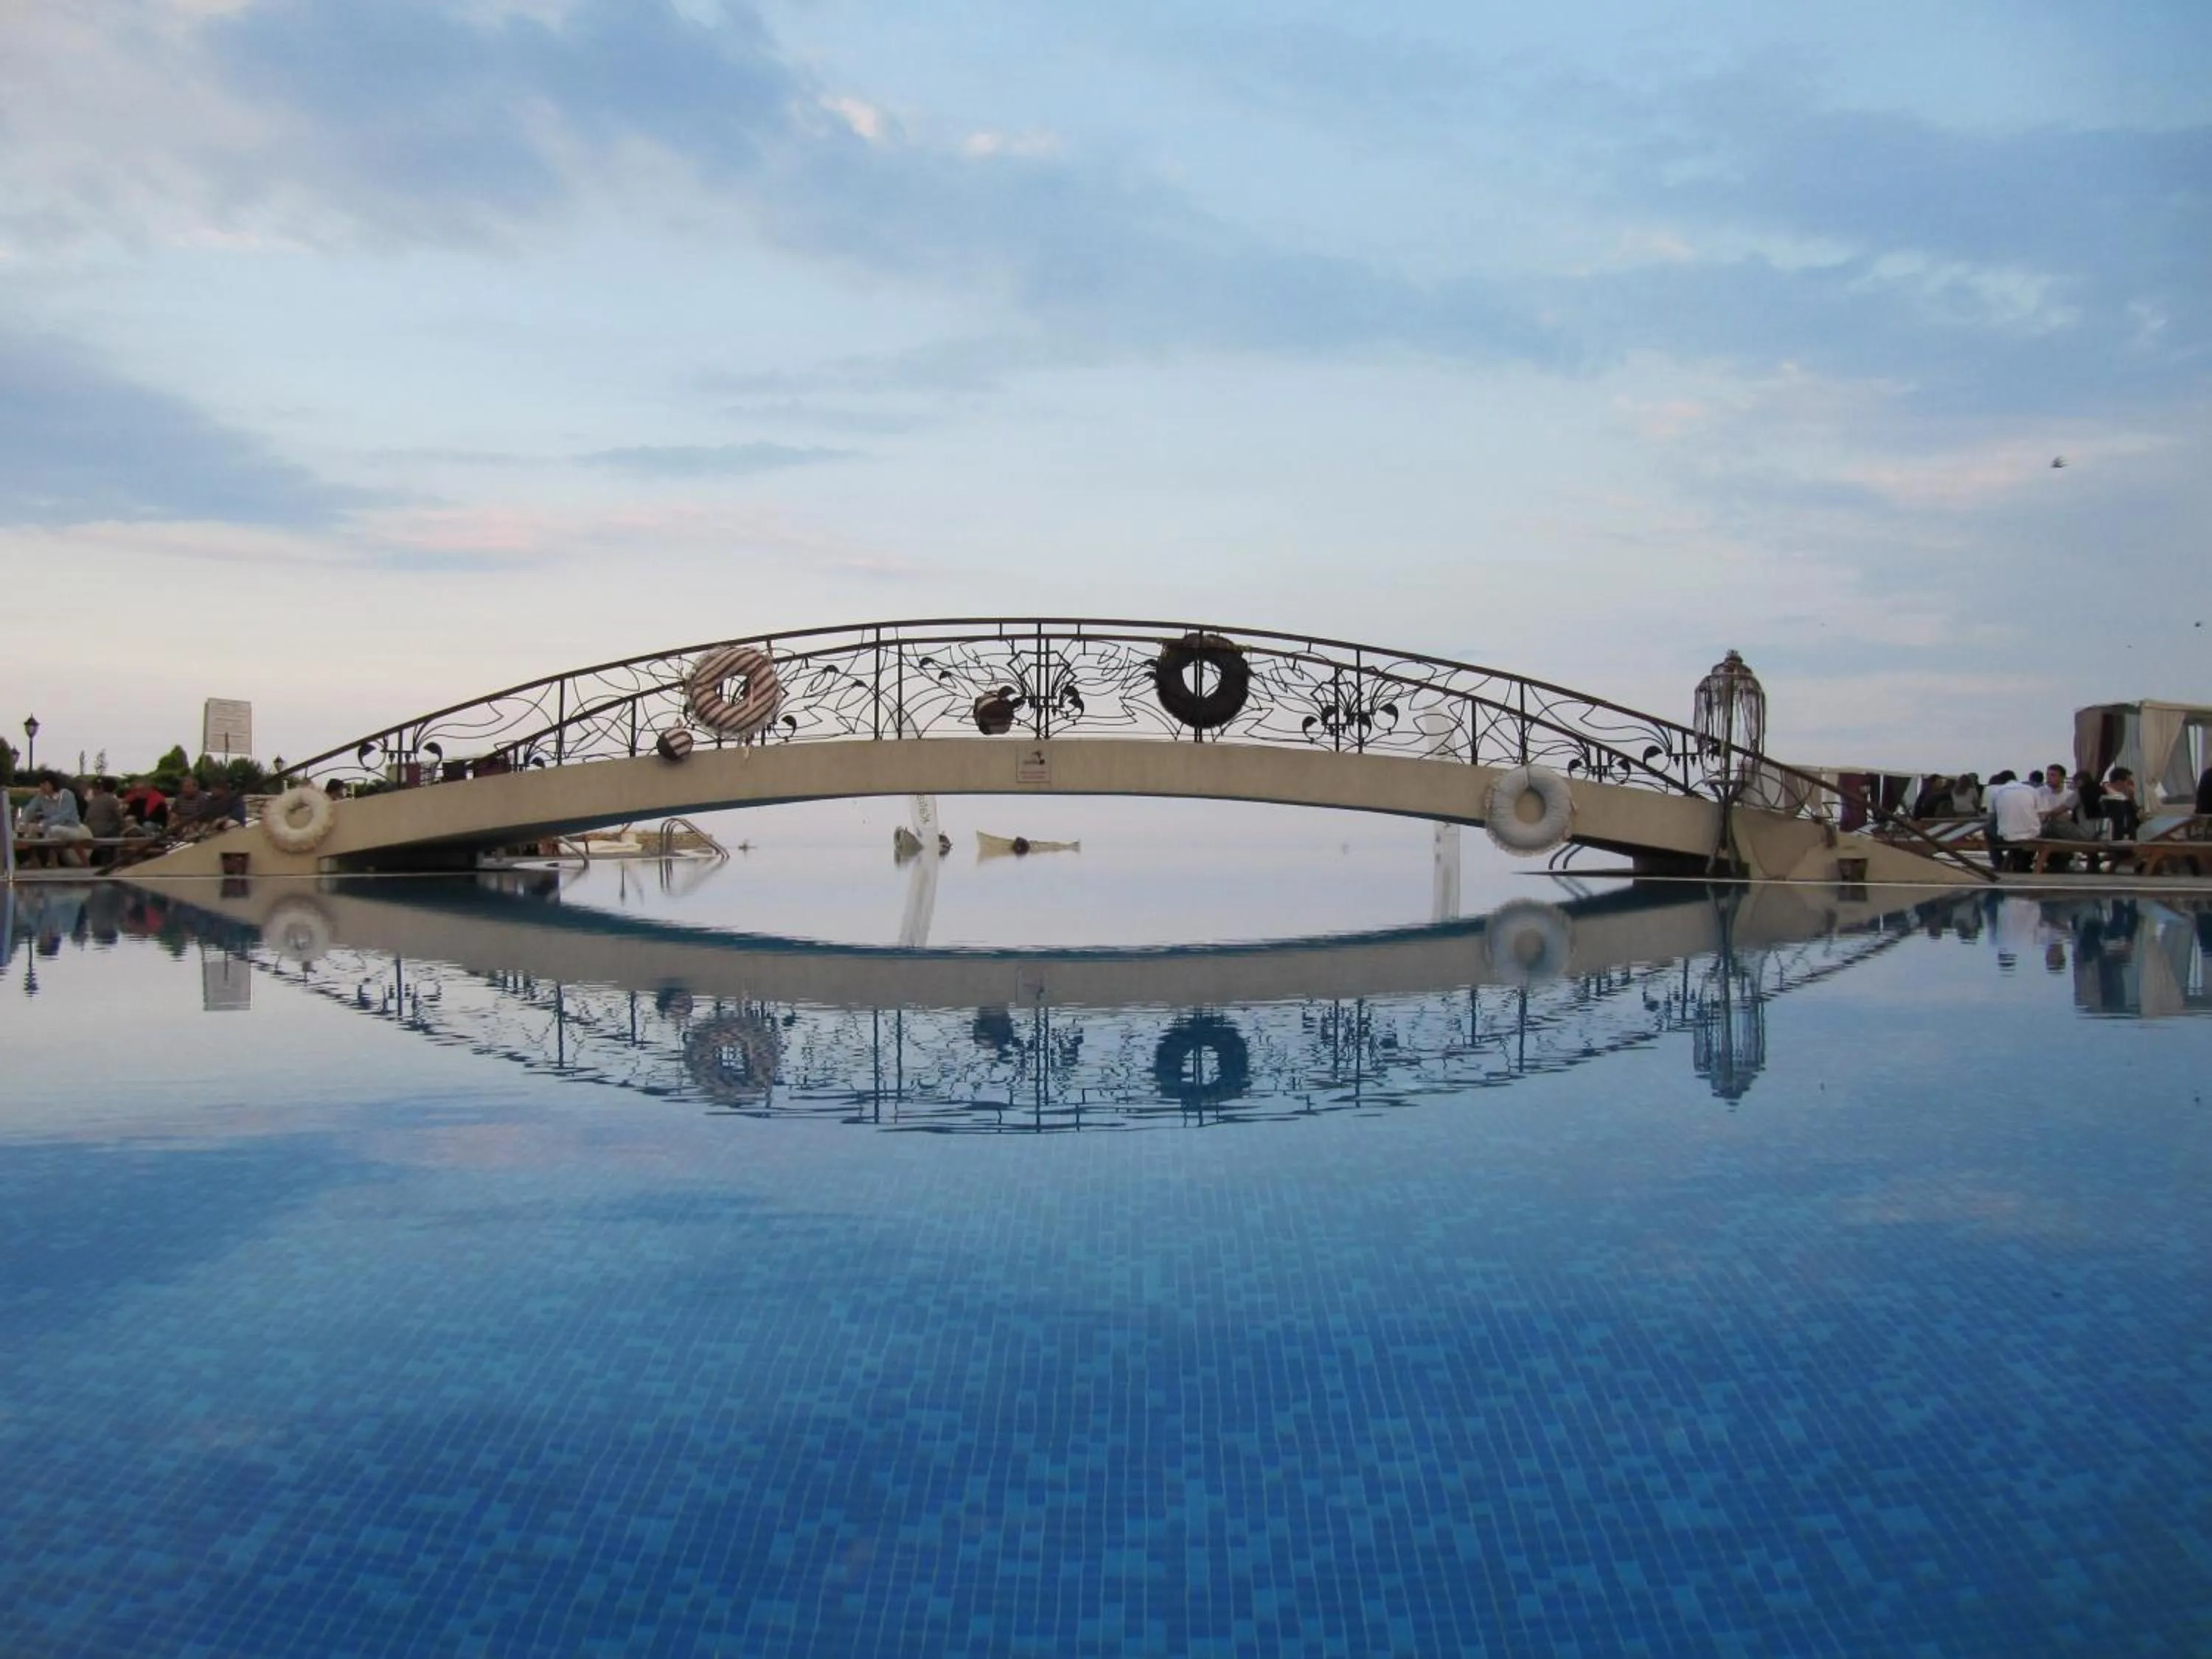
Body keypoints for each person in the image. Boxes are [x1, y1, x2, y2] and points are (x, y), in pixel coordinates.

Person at [17, 776, 92, 867]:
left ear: (53, 784)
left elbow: (64, 815)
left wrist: (43, 824)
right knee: (32, 830)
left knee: (52, 831)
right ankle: (36, 860)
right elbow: (30, 809)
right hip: (50, 827)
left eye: (45, 784)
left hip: (71, 827)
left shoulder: (66, 795)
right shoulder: (41, 796)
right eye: (41, 784)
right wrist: (23, 822)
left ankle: (51, 861)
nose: (42, 786)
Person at [1986, 771, 2040, 872]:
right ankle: (2024, 864)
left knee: (1987, 829)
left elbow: (1991, 817)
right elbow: (2039, 812)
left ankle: (1998, 863)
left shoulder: (1997, 792)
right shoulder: (2031, 790)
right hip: (2032, 834)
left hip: (2007, 837)